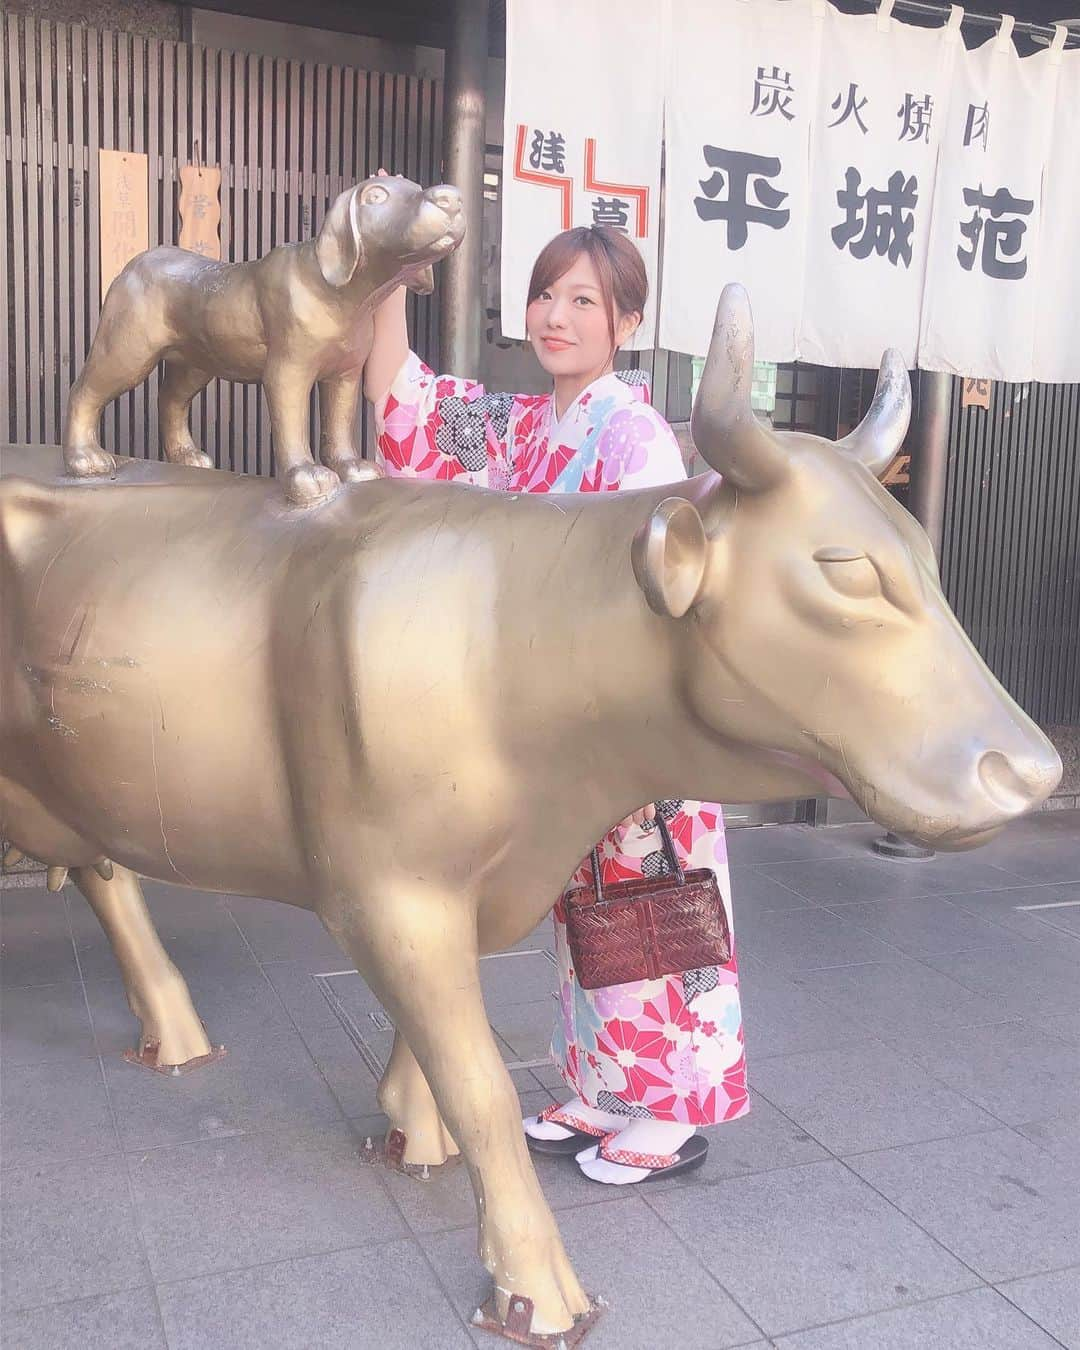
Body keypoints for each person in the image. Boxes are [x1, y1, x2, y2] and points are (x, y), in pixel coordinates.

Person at [363, 222, 747, 1184]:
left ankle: (673, 1115)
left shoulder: (637, 435)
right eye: (545, 295)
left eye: (583, 300)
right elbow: (403, 401)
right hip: (560, 735)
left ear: (626, 321)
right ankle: (605, 1088)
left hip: (634, 729)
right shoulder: (524, 426)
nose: (556, 316)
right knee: (587, 915)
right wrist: (384, 282)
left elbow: (663, 594)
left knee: (657, 912)